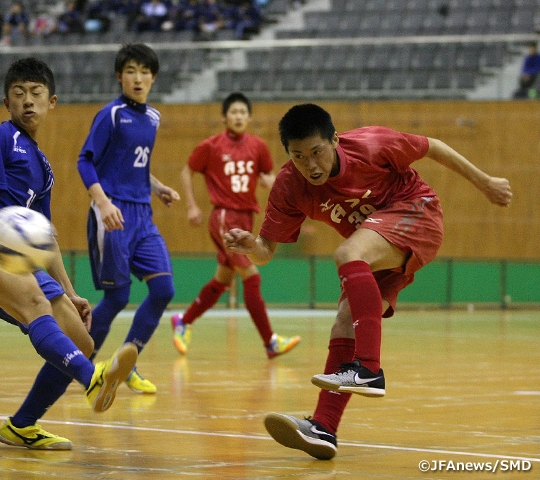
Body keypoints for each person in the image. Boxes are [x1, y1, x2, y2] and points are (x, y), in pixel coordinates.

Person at [223, 103, 513, 460]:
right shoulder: (288, 185)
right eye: (299, 156)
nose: (310, 165)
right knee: (345, 319)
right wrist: (251, 245)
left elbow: (433, 146)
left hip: (416, 213)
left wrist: (486, 183)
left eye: (317, 152)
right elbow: (266, 251)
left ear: (334, 140)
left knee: (347, 254)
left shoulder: (372, 144)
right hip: (376, 246)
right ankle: (324, 428)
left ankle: (369, 369)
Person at [0, 57, 138, 450]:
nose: (28, 101)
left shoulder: (44, 167)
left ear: (53, 103)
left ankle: (22, 425)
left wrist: (71, 291)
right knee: (36, 306)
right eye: (19, 94)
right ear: (6, 103)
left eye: (36, 94)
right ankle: (94, 380)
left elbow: (45, 237)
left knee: (80, 341)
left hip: (21, 252)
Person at [77, 43, 180, 395]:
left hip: (142, 214)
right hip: (113, 213)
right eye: (131, 71)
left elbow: (135, 165)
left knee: (164, 289)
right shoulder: (111, 115)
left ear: (153, 77)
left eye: (144, 72)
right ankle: (78, 366)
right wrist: (103, 203)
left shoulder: (152, 118)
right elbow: (85, 161)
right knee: (118, 298)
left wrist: (157, 186)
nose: (138, 78)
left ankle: (126, 360)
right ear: (120, 76)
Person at [171, 92, 301, 359]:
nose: (239, 116)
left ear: (249, 117)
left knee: (223, 279)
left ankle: (183, 321)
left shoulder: (258, 146)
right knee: (252, 277)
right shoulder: (211, 146)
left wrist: (268, 180)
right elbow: (187, 170)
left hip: (246, 218)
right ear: (224, 117)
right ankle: (270, 342)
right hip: (224, 218)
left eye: (243, 112)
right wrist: (192, 206)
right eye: (234, 112)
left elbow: (270, 175)